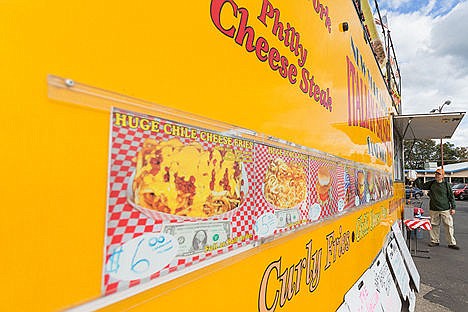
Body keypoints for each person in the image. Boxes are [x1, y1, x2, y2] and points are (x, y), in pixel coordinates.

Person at [415, 168, 459, 250]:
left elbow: (451, 197)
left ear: (443, 176)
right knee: (434, 225)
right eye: (436, 174)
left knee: (449, 226)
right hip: (434, 208)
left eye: (438, 174)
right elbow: (421, 186)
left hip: (445, 209)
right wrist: (416, 178)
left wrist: (453, 207)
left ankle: (451, 243)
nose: (436, 175)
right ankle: (434, 241)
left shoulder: (446, 185)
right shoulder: (432, 183)